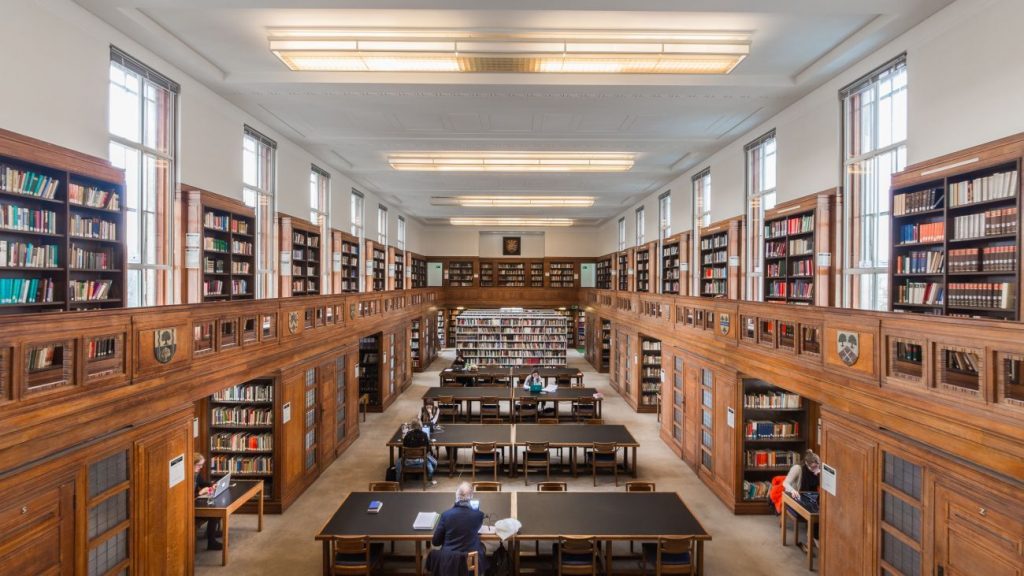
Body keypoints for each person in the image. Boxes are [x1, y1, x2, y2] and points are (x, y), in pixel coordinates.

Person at [429, 482, 488, 575]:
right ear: (471, 496)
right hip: (470, 565)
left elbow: (436, 542)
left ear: (456, 497)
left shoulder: (446, 515)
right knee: (481, 547)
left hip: (448, 564)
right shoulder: (479, 515)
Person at [193, 453, 223, 550]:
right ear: (191, 464)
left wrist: (211, 485)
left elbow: (203, 483)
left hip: (195, 501)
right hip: (189, 507)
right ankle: (211, 543)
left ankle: (212, 532)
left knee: (217, 507)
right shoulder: (187, 476)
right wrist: (199, 493)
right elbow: (185, 496)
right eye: (199, 465)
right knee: (213, 514)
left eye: (202, 465)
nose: (201, 467)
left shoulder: (196, 473)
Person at [396, 418, 437, 485]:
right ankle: (429, 477)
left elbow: (404, 447)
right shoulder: (424, 435)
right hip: (421, 461)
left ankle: (397, 481)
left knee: (397, 462)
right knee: (431, 459)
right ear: (420, 425)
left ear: (411, 426)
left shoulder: (407, 435)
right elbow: (427, 450)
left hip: (407, 462)